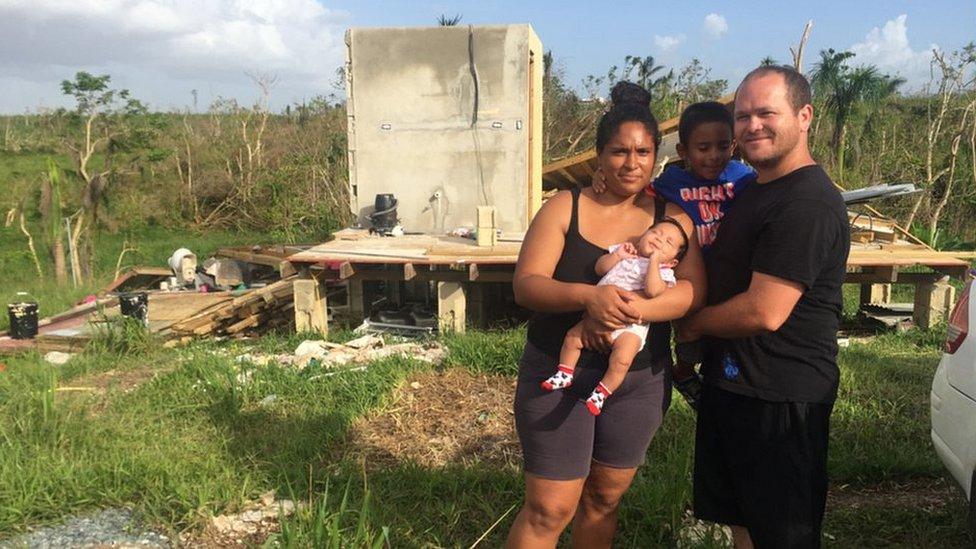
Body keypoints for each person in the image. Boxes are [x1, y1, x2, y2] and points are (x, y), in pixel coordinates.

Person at [506, 81, 706, 548]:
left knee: (603, 500)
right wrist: (589, 298)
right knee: (549, 509)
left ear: (656, 156)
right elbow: (526, 285)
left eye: (642, 151)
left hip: (637, 379)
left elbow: (693, 293)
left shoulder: (672, 219)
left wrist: (635, 307)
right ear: (599, 155)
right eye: (619, 151)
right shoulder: (565, 206)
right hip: (560, 371)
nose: (631, 162)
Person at [680, 66, 850, 548]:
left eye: (766, 113)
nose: (753, 125)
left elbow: (764, 311)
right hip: (734, 386)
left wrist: (689, 321)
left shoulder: (807, 202)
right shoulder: (754, 189)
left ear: (804, 116)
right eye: (743, 116)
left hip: (780, 397)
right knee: (743, 525)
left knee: (783, 534)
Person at [594, 101, 757, 409]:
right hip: (684, 270)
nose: (713, 156)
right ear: (683, 151)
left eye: (722, 146)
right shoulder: (671, 183)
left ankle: (726, 385)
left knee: (726, 337)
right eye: (703, 148)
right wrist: (599, 176)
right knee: (687, 336)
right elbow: (636, 194)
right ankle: (682, 373)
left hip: (727, 275)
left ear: (734, 146)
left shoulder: (744, 179)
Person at [541, 218, 690, 417]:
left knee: (622, 359)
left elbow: (653, 291)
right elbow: (600, 268)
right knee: (572, 338)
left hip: (630, 326)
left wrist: (654, 261)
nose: (659, 239)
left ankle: (602, 392)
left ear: (672, 261)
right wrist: (618, 256)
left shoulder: (664, 272)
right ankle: (565, 373)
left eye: (668, 242)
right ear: (643, 236)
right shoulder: (626, 253)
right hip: (596, 312)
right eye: (655, 232)